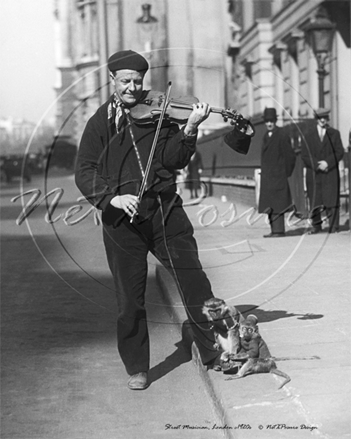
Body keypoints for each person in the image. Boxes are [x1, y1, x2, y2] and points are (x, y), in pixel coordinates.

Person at [75, 50, 253, 390]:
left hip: (164, 211)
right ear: (112, 80)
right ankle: (138, 367)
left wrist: (188, 129)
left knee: (195, 281)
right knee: (130, 298)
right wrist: (110, 197)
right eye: (125, 81)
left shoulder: (162, 114)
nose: (132, 88)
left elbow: (173, 161)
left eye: (137, 81)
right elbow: (84, 169)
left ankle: (216, 350)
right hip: (120, 222)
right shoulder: (100, 121)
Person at [301, 108, 344, 233]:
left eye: (325, 117)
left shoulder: (334, 133)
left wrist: (327, 163)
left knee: (331, 199)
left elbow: (339, 152)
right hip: (314, 173)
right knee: (315, 200)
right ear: (316, 119)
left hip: (330, 172)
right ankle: (316, 226)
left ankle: (333, 226)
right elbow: (304, 155)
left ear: (328, 119)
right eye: (320, 118)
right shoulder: (308, 135)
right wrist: (316, 164)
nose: (323, 120)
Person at [258, 108, 296, 237]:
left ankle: (279, 231)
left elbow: (290, 156)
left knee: (278, 204)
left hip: (278, 176)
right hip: (268, 177)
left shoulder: (282, 134)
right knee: (270, 204)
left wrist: (284, 172)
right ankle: (274, 230)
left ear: (275, 121)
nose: (269, 124)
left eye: (272, 121)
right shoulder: (265, 136)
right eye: (267, 121)